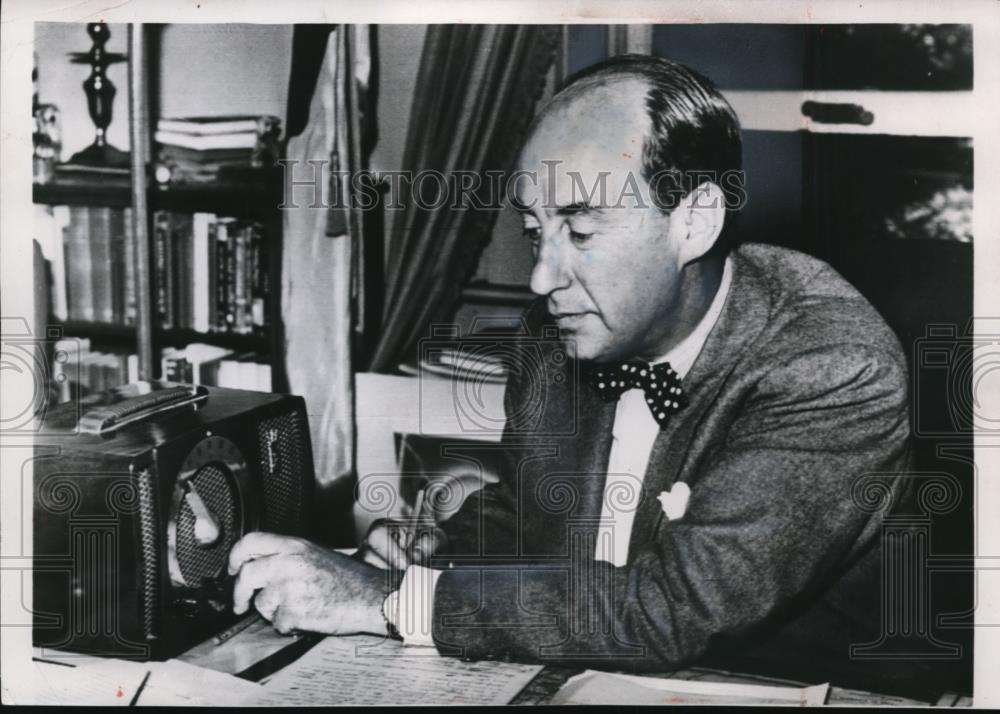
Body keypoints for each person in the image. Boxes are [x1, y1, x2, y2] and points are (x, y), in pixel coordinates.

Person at [228, 55, 916, 691]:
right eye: (534, 231)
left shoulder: (832, 363)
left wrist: (384, 599)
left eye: (580, 232)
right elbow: (532, 512)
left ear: (696, 220)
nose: (541, 277)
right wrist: (436, 552)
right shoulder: (556, 331)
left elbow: (673, 610)